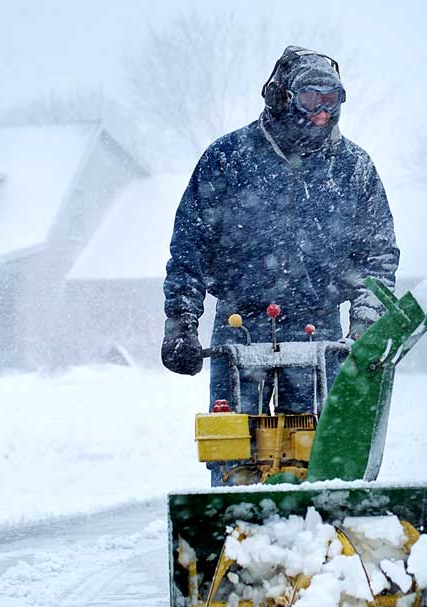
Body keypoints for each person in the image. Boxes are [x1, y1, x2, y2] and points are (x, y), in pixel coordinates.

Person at [160, 46, 399, 419]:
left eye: (332, 100)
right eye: (311, 99)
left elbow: (378, 254)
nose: (323, 113)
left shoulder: (353, 168)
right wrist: (181, 322)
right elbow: (191, 245)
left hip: (318, 327)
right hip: (240, 324)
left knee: (315, 442)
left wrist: (366, 322)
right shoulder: (228, 158)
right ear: (282, 97)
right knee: (235, 440)